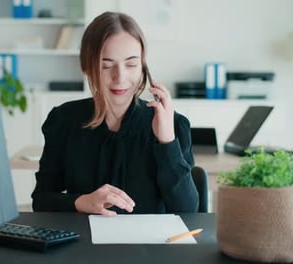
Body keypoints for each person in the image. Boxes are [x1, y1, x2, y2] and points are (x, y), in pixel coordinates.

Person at [31, 11, 198, 216]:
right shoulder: (64, 120)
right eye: (106, 65)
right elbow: (41, 200)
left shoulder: (173, 124)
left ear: (143, 66)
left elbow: (188, 211)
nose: (120, 77)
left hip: (150, 246)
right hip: (85, 243)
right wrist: (81, 202)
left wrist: (167, 142)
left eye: (131, 64)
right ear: (87, 67)